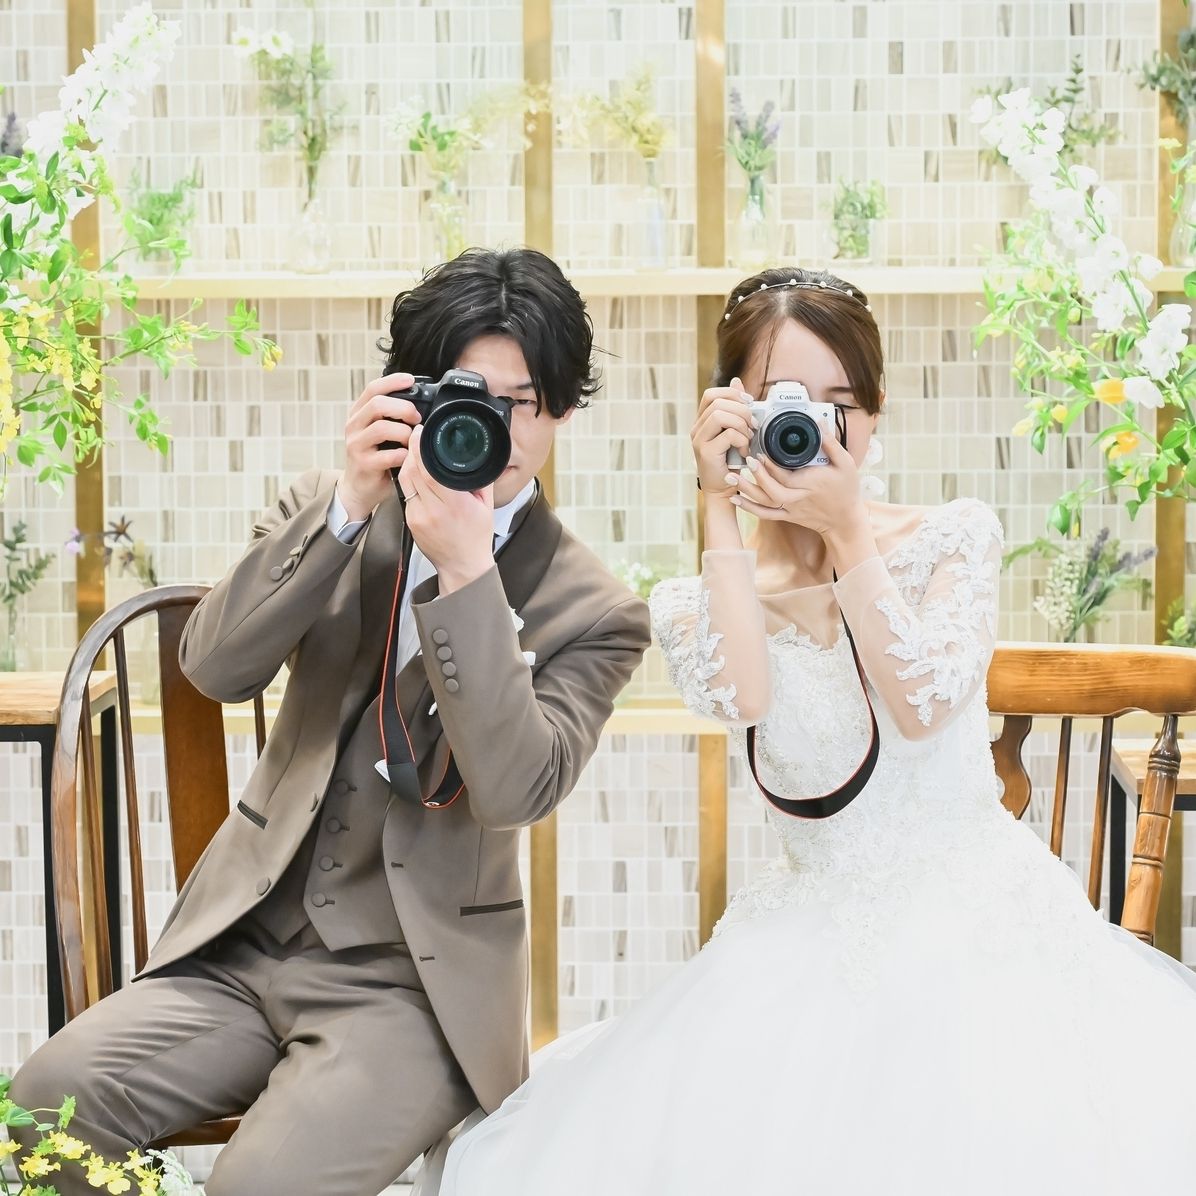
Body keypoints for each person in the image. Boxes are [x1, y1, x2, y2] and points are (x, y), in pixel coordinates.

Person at [435, 266, 1196, 1196]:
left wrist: (847, 535)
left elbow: (920, 703)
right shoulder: (695, 598)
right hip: (798, 933)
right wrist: (716, 505)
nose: (819, 431)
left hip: (982, 934)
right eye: (785, 403)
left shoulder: (952, 537)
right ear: (731, 412)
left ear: (875, 415)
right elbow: (745, 697)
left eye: (843, 406)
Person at [10, 247, 650, 1196]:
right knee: (42, 1107)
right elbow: (213, 668)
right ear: (410, 394)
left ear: (561, 408)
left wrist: (469, 573)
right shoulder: (330, 506)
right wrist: (351, 503)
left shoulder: (592, 608)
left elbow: (516, 791)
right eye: (466, 396)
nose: (495, 428)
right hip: (242, 948)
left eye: (522, 403)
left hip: (409, 989)